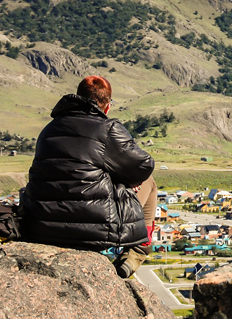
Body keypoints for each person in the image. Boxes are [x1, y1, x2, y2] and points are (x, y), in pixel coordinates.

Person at [20, 75, 157, 278]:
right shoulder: (107, 129)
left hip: (39, 224)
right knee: (149, 182)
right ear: (107, 106)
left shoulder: (48, 130)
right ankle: (136, 252)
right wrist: (125, 180)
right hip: (92, 228)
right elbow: (144, 165)